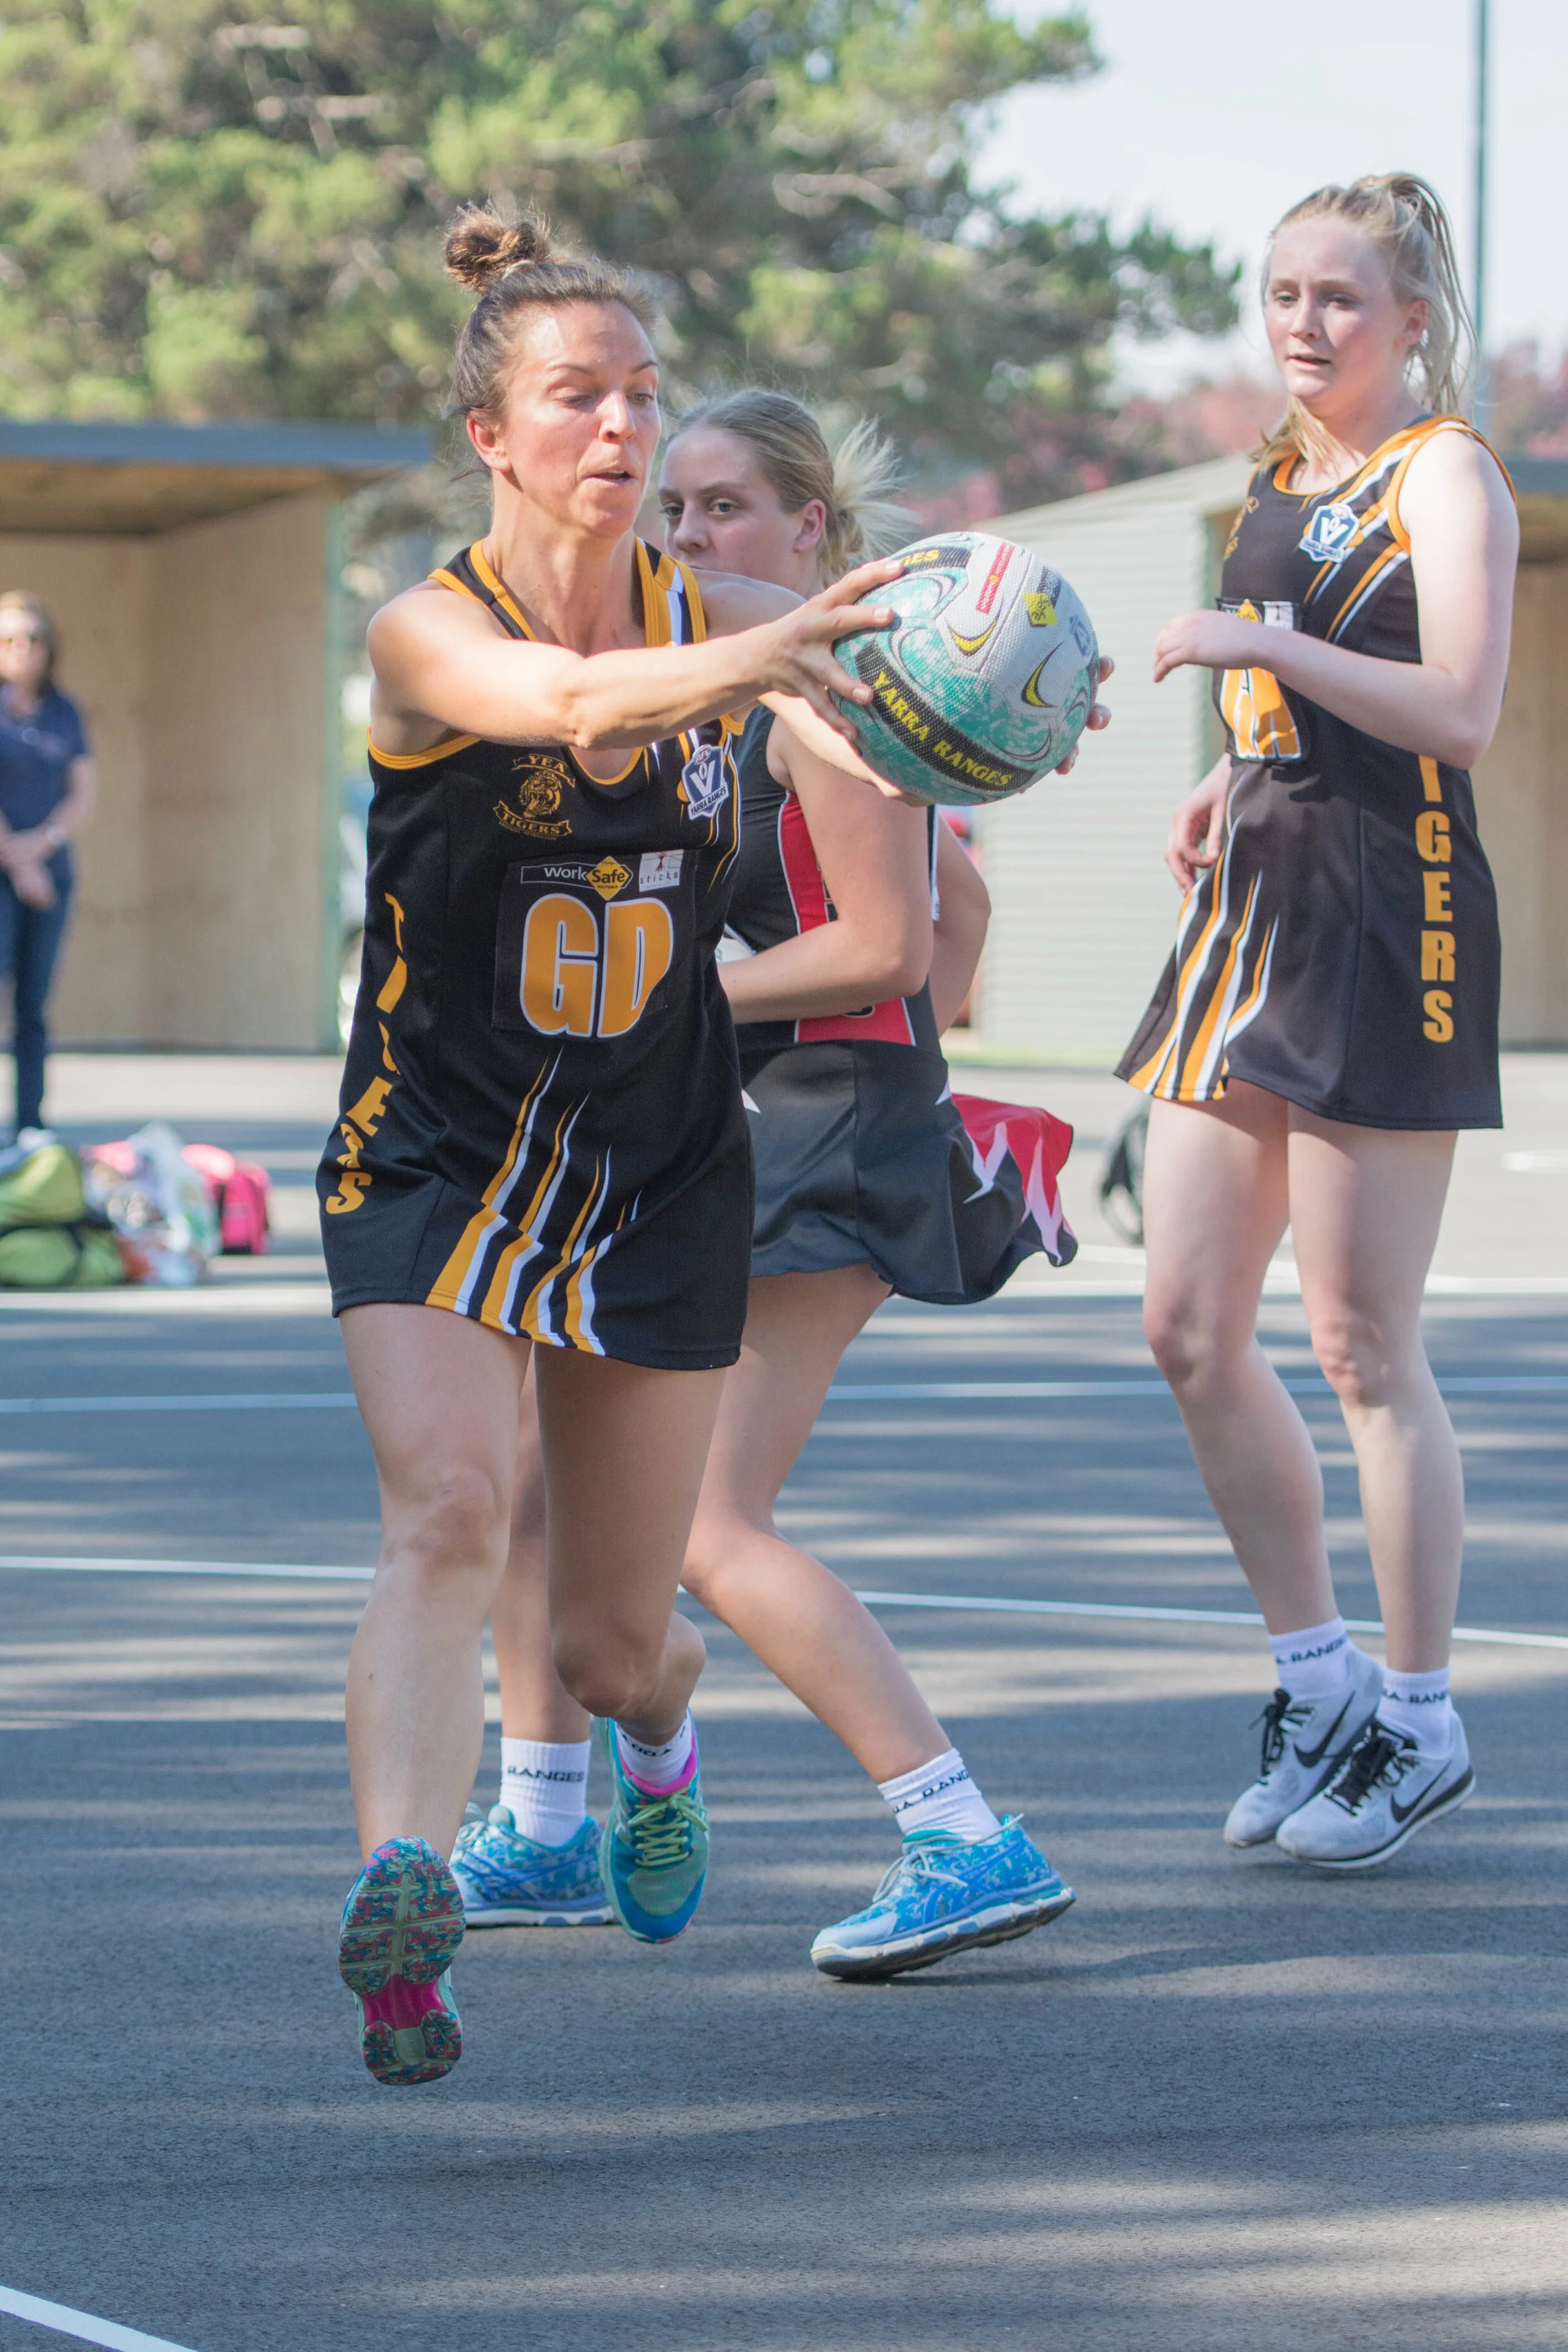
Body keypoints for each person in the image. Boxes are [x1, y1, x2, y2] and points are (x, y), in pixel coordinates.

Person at [320, 203, 918, 2087]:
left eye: (641, 396)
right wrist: (770, 661)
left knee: (602, 1643)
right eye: (576, 397)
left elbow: (901, 730)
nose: (620, 431)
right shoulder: (428, 630)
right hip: (431, 1142)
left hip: (655, 1173)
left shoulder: (730, 621)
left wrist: (967, 703)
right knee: (444, 1500)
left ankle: (656, 1736)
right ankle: (403, 1899)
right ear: (491, 435)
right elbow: (567, 708)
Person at [453, 389, 1104, 1981]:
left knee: (710, 1523)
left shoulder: (836, 698)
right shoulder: (757, 693)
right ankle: (546, 1829)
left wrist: (660, 993)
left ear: (815, 533)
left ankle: (961, 1830)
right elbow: (946, 944)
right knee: (548, 1478)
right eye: (675, 508)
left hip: (830, 1122)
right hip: (746, 1109)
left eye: (727, 507)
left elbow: (883, 955)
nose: (688, 538)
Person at [1116, 174, 1518, 1869]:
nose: (1301, 323)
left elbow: (1458, 710)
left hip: (1385, 906)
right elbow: (1300, 678)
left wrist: (1244, 643)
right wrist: (1228, 757)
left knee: (1360, 1343)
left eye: (1339, 297)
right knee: (1187, 1322)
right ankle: (1317, 1674)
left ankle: (1420, 1715)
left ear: (1411, 319)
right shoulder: (1281, 474)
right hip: (1253, 902)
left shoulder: (1447, 475)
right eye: (1280, 293)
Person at [0, 593, 96, 1141]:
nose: (22, 649)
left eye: (32, 638)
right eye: (10, 639)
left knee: (33, 1009)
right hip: (11, 875)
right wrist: (18, 864)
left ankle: (30, 1128)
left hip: (50, 879)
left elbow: (82, 794)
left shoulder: (66, 711)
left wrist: (42, 846)